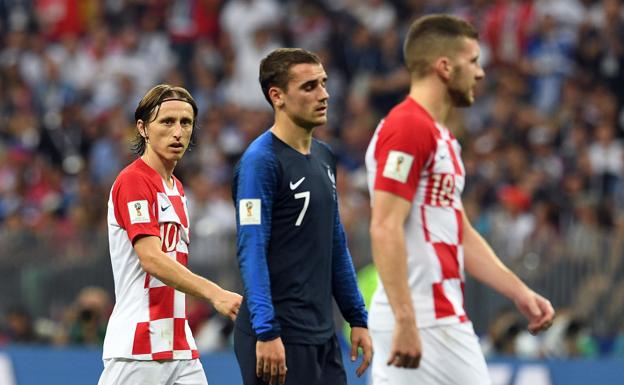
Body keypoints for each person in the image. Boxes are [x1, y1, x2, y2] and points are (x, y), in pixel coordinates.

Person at [364, 14, 555, 385]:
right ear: (444, 66)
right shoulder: (407, 127)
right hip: (425, 316)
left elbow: (458, 230)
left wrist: (518, 291)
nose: (481, 73)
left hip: (430, 315)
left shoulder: (441, 137)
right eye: (474, 61)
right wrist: (406, 319)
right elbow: (384, 225)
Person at [232, 48, 373, 385]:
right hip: (278, 335)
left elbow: (335, 242)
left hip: (321, 334)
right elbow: (251, 248)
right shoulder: (260, 162)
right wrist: (266, 331)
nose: (323, 94)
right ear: (277, 96)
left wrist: (357, 318)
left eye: (323, 84)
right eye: (309, 87)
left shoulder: (324, 156)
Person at [98, 84, 242, 385]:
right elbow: (151, 258)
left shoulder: (176, 188)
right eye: (167, 121)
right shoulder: (133, 181)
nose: (178, 131)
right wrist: (215, 293)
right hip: (138, 347)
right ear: (143, 128)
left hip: (179, 344)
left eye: (185, 122)